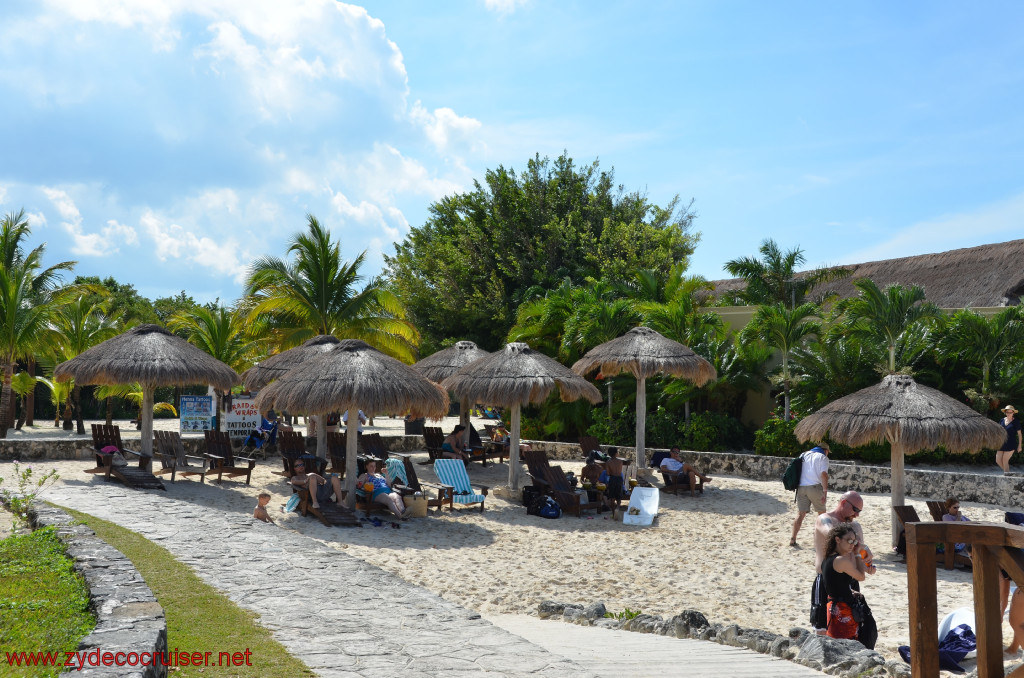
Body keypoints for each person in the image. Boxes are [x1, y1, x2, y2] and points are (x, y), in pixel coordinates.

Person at [810, 491, 874, 635]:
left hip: (850, 579)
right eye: (855, 510)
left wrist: (868, 564)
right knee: (822, 627)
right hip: (828, 580)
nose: (856, 514)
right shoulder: (825, 519)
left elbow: (858, 553)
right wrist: (862, 546)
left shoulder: (856, 527)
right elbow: (834, 536)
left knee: (852, 625)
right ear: (844, 503)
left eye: (859, 511)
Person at [822, 523, 868, 640]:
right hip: (843, 609)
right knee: (848, 643)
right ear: (837, 539)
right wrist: (857, 553)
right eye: (849, 541)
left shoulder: (828, 558)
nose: (852, 545)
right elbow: (861, 577)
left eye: (854, 542)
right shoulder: (840, 560)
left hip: (833, 607)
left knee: (836, 641)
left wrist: (850, 590)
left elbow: (836, 583)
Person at [790, 443, 830, 547]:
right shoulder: (823, 457)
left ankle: (793, 538)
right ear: (825, 450)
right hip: (815, 487)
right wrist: (825, 491)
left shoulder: (803, 454)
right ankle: (824, 542)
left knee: (800, 514)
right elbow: (824, 475)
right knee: (822, 515)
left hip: (801, 488)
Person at [998, 405, 1022, 474]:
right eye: (1007, 412)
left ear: (1013, 413)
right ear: (1005, 412)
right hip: (1001, 443)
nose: (1008, 414)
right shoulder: (1002, 420)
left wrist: (1019, 446)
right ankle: (1008, 473)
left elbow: (1020, 435)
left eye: (1010, 412)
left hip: (1011, 443)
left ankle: (1007, 476)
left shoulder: (1016, 422)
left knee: (1005, 460)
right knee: (998, 460)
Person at [603, 447, 625, 512]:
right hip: (619, 478)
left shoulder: (608, 462)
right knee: (619, 495)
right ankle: (617, 508)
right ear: (616, 453)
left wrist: (607, 483)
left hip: (612, 478)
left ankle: (613, 510)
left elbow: (607, 473)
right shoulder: (620, 462)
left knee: (612, 495)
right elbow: (620, 471)